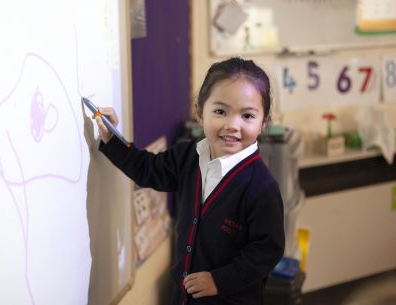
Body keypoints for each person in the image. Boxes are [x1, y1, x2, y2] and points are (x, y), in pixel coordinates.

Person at [93, 57, 285, 305]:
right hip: (185, 298)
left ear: (263, 123)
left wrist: (219, 280)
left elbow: (266, 251)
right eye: (220, 111)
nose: (232, 125)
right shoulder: (186, 156)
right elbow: (147, 170)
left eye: (247, 116)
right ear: (199, 112)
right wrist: (112, 140)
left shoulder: (261, 186)